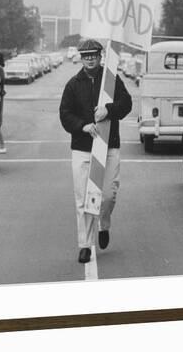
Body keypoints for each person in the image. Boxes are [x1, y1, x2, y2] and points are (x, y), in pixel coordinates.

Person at [59, 39, 132, 264]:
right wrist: (82, 125)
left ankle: (104, 224)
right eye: (86, 55)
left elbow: (127, 103)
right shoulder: (73, 84)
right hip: (83, 147)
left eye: (94, 55)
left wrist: (108, 110)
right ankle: (85, 245)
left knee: (108, 195)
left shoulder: (111, 80)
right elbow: (65, 113)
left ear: (101, 56)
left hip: (109, 145)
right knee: (83, 198)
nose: (90, 58)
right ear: (81, 57)